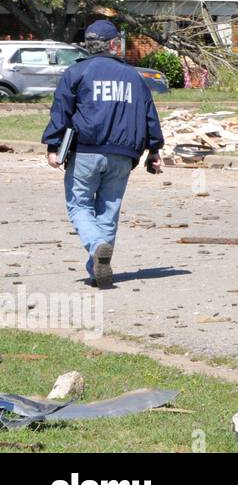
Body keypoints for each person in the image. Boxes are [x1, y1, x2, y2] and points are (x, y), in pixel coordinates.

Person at [42, 20, 164, 288]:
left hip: (86, 151)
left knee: (79, 206)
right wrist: (154, 150)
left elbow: (61, 111)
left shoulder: (77, 73)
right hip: (123, 155)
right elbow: (149, 116)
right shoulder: (134, 77)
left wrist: (53, 146)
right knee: (108, 211)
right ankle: (97, 268)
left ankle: (97, 245)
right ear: (112, 44)